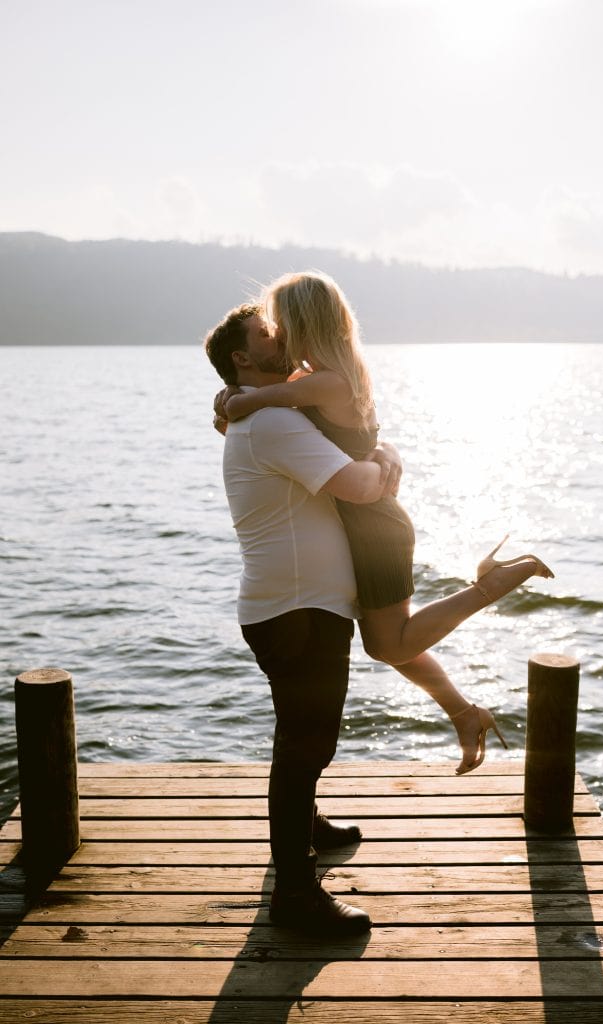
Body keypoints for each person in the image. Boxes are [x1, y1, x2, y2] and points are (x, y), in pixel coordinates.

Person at [216, 271, 554, 776]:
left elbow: (257, 404)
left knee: (389, 642)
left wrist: (233, 400)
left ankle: (490, 586)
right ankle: (465, 713)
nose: (277, 333)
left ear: (303, 322)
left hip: (373, 524)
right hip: (363, 522)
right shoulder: (328, 373)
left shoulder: (321, 381)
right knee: (390, 641)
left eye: (278, 323)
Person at [204, 302, 401, 938]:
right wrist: (389, 465)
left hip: (296, 607)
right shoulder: (275, 427)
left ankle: (305, 824)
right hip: (297, 612)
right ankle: (295, 893)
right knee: (304, 746)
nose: (281, 337)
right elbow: (360, 488)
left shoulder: (269, 415)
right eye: (267, 335)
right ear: (242, 358)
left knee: (303, 740)